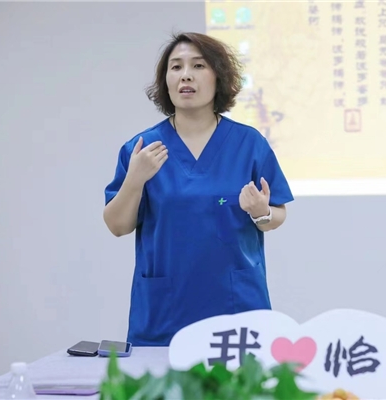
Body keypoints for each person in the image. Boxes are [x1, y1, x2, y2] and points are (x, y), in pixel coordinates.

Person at [103, 32, 294, 347]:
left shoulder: (249, 144)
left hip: (236, 307)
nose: (186, 75)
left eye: (198, 65)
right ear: (166, 81)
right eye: (176, 67)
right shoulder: (142, 149)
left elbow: (277, 215)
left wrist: (262, 213)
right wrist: (135, 179)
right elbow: (117, 226)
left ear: (219, 77)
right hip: (165, 311)